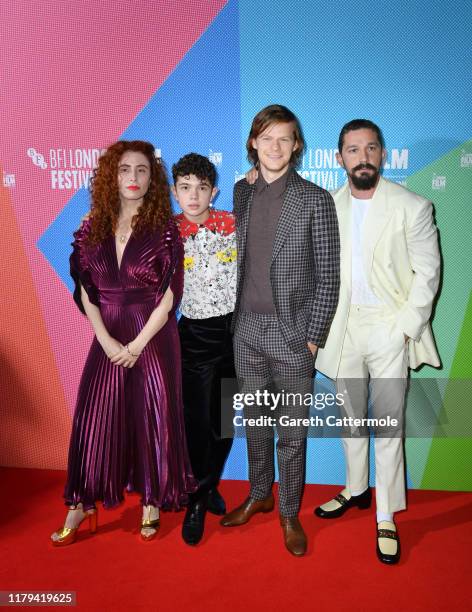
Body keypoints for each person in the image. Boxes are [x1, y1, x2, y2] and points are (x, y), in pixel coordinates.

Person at [50, 140, 196, 546]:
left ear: (153, 179)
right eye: (125, 170)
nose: (133, 178)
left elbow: (170, 294)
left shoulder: (164, 228)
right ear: (111, 176)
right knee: (96, 419)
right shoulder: (89, 224)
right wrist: (105, 338)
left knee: (153, 415)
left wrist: (136, 344)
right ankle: (81, 503)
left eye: (142, 171)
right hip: (108, 332)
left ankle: (152, 499)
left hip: (151, 333)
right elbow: (84, 289)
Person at [314, 119, 441, 564]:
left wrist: (405, 327)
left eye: (370, 148)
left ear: (383, 155)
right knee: (350, 417)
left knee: (388, 424)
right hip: (344, 328)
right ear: (339, 157)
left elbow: (428, 273)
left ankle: (386, 513)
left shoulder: (412, 206)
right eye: (352, 149)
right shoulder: (327, 207)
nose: (362, 156)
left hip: (389, 327)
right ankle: (355, 488)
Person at [220, 105, 340, 556]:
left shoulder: (315, 200)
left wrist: (311, 338)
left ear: (297, 146)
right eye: (266, 138)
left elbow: (329, 277)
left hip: (292, 338)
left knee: (291, 433)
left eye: (284, 139)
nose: (274, 147)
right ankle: (259, 493)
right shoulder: (241, 193)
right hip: (246, 332)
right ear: (253, 143)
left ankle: (289, 512)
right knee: (255, 424)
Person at [171, 153, 236, 545]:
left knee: (224, 420)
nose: (193, 196)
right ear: (175, 191)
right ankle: (196, 498)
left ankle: (210, 484)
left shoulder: (232, 224)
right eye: (184, 187)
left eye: (201, 188)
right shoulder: (166, 233)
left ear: (213, 191)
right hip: (193, 336)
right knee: (197, 423)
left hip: (235, 333)